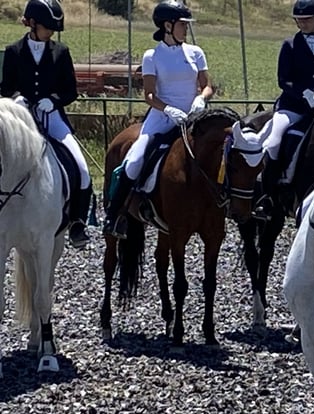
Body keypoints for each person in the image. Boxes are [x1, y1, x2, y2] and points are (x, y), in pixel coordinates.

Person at [103, 0, 213, 239]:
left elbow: (207, 86)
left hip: (194, 114)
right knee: (134, 159)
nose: (186, 28)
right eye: (182, 24)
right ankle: (114, 215)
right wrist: (169, 109)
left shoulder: (196, 52)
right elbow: (149, 95)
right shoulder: (152, 55)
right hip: (162, 116)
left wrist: (201, 99)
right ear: (167, 25)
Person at [1, 0, 93, 249]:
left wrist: (53, 100)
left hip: (51, 117)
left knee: (82, 169)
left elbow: (70, 90)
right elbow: (5, 88)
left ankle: (77, 223)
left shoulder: (60, 52)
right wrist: (16, 98)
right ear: (31, 23)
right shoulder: (13, 52)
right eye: (46, 27)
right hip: (20, 120)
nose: (50, 32)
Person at [249, 0, 314, 218]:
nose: (302, 24)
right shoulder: (289, 45)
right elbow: (284, 80)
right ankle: (267, 197)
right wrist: (306, 94)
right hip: (291, 107)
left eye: (307, 20)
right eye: (299, 20)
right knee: (273, 142)